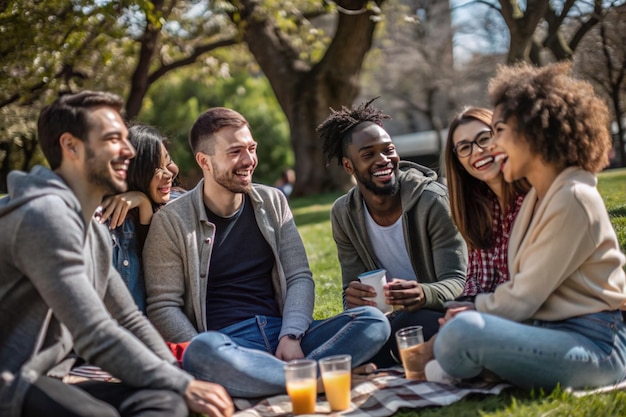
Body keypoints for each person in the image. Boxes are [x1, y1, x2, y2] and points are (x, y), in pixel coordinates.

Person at [0, 91, 233, 417]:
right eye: (113, 139)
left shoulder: (90, 225)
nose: (129, 150)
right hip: (14, 380)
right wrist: (184, 384)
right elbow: (95, 332)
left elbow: (128, 318)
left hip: (54, 375)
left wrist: (176, 377)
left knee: (164, 400)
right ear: (71, 146)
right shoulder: (44, 216)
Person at [142, 107, 391, 398]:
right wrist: (197, 348)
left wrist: (291, 334)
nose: (248, 160)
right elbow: (163, 306)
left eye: (251, 148)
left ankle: (276, 379)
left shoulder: (273, 201)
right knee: (202, 351)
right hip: (226, 346)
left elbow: (299, 276)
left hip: (284, 337)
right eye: (235, 152)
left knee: (373, 321)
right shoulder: (171, 221)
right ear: (204, 161)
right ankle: (316, 379)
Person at [434, 62, 626, 390]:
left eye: (499, 133)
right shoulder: (541, 198)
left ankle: (491, 366)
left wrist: (470, 311)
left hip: (597, 346)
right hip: (550, 332)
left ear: (533, 132)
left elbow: (523, 296)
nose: (491, 147)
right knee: (455, 332)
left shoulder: (572, 197)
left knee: (459, 335)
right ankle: (496, 365)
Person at [317, 99, 468, 368]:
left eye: (388, 150)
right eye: (368, 155)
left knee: (407, 325)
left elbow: (458, 281)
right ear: (349, 166)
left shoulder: (432, 201)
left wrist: (422, 293)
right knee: (327, 332)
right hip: (384, 321)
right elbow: (351, 293)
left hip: (434, 313)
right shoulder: (344, 214)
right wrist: (352, 297)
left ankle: (379, 357)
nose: (383, 160)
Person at [444, 107, 530, 298]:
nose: (477, 151)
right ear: (458, 162)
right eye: (465, 147)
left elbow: (529, 288)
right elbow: (478, 279)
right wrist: (463, 306)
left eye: (484, 139)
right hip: (495, 309)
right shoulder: (481, 208)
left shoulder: (532, 198)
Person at [98, 124, 182, 313]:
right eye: (155, 169)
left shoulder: (180, 206)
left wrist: (144, 205)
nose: (168, 174)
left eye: (167, 162)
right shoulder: (110, 223)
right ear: (134, 173)